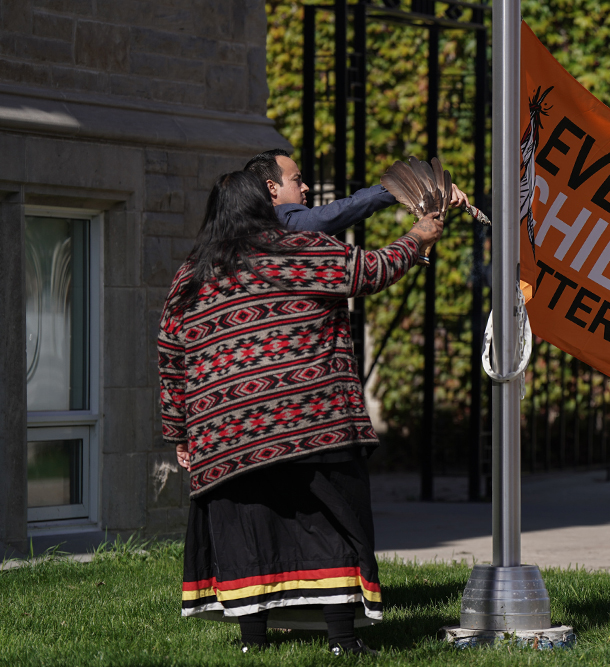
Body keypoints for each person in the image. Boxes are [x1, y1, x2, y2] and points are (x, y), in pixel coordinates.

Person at [157, 170, 442, 655]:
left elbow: (170, 355)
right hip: (309, 421)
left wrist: (181, 435)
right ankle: (342, 641)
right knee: (328, 523)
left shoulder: (191, 273)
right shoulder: (299, 248)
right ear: (262, 206)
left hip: (225, 434)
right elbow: (368, 271)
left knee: (246, 531)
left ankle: (254, 642)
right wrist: (418, 237)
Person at [243, 148, 469, 236]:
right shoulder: (279, 223)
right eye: (297, 180)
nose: (305, 187)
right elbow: (342, 210)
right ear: (271, 187)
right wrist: (402, 187)